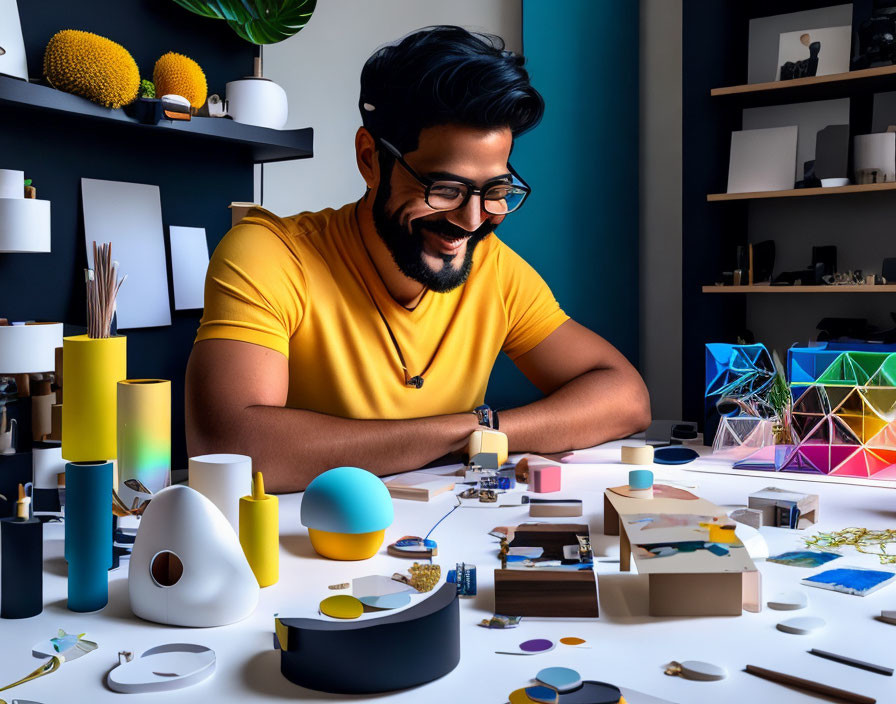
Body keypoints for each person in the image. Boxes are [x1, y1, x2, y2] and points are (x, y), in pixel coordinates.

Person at [185, 25, 650, 492]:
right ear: (370, 160)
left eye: (496, 191)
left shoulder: (493, 267)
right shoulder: (272, 254)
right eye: (444, 188)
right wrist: (467, 431)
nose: (471, 221)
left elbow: (626, 398)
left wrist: (484, 430)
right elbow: (229, 446)